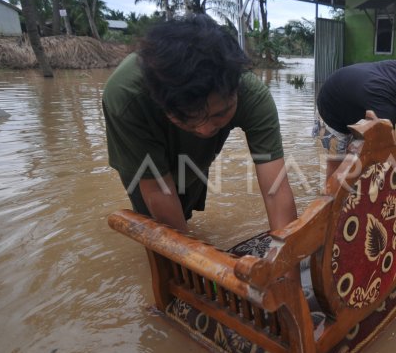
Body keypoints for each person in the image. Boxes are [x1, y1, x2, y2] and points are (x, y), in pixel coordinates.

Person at [102, 14, 297, 233]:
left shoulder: (251, 94)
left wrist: (286, 259)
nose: (205, 131)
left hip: (193, 161)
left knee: (183, 213)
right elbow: (157, 190)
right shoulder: (126, 97)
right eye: (187, 119)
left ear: (236, 89)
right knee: (157, 230)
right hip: (143, 154)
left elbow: (276, 189)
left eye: (219, 115)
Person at [315, 60, 396, 175]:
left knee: (360, 163)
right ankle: (331, 201)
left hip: (357, 98)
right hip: (332, 108)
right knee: (336, 171)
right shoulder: (384, 105)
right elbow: (391, 155)